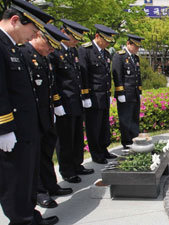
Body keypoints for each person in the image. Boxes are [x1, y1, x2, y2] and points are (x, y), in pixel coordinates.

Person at [0, 1, 60, 224]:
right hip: (12, 130)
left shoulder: (11, 45)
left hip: (26, 128)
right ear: (16, 21)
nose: (32, 36)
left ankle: (30, 216)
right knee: (15, 180)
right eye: (32, 31)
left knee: (27, 176)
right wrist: (3, 128)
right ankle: (21, 220)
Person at [19, 23, 73, 209]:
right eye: (49, 45)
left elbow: (51, 84)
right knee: (35, 158)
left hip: (46, 114)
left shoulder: (44, 57)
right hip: (32, 117)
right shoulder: (24, 54)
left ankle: (51, 185)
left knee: (46, 153)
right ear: (39, 37)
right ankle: (40, 192)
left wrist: (56, 105)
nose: (51, 50)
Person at [49, 19, 94, 183]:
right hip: (64, 103)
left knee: (76, 137)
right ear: (63, 33)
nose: (76, 40)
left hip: (75, 101)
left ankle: (77, 164)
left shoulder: (73, 52)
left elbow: (77, 77)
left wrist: (83, 96)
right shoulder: (54, 52)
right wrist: (57, 102)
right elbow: (53, 80)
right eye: (73, 36)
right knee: (65, 138)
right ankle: (67, 170)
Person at [78, 24, 118, 164]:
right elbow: (84, 74)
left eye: (109, 41)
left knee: (103, 126)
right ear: (97, 36)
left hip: (104, 95)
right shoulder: (85, 50)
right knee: (93, 126)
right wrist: (85, 95)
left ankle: (104, 149)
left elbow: (107, 75)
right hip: (93, 96)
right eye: (105, 40)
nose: (107, 43)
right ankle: (96, 153)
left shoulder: (106, 53)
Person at [112, 34, 144, 149]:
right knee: (126, 119)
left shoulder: (135, 58)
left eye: (138, 47)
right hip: (125, 93)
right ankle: (127, 142)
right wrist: (120, 92)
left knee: (134, 118)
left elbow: (138, 76)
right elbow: (117, 75)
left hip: (134, 93)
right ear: (128, 44)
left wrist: (139, 91)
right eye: (135, 46)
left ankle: (134, 138)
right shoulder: (119, 56)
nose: (137, 49)